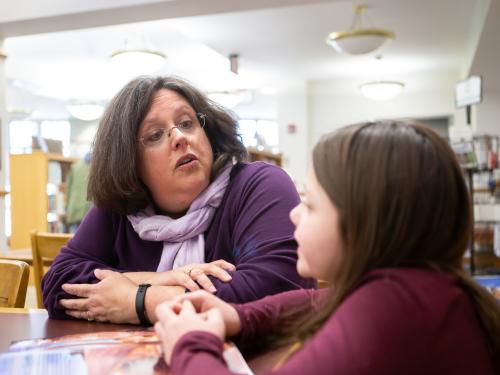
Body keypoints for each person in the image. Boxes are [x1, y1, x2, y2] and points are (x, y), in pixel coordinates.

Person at [154, 121, 500, 374]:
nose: (294, 213)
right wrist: (237, 316)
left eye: (312, 204)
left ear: (365, 223)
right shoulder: (426, 288)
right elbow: (318, 301)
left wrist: (190, 344)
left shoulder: (392, 311)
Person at [42, 76, 314, 324]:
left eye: (186, 123)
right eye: (155, 135)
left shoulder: (259, 185)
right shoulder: (122, 207)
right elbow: (59, 284)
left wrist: (138, 300)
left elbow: (279, 287)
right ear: (128, 162)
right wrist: (159, 280)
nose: (180, 138)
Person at [65, 152, 92, 232]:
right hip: (89, 211)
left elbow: (68, 190)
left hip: (74, 210)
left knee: (74, 239)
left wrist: (66, 208)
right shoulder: (97, 167)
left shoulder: (75, 167)